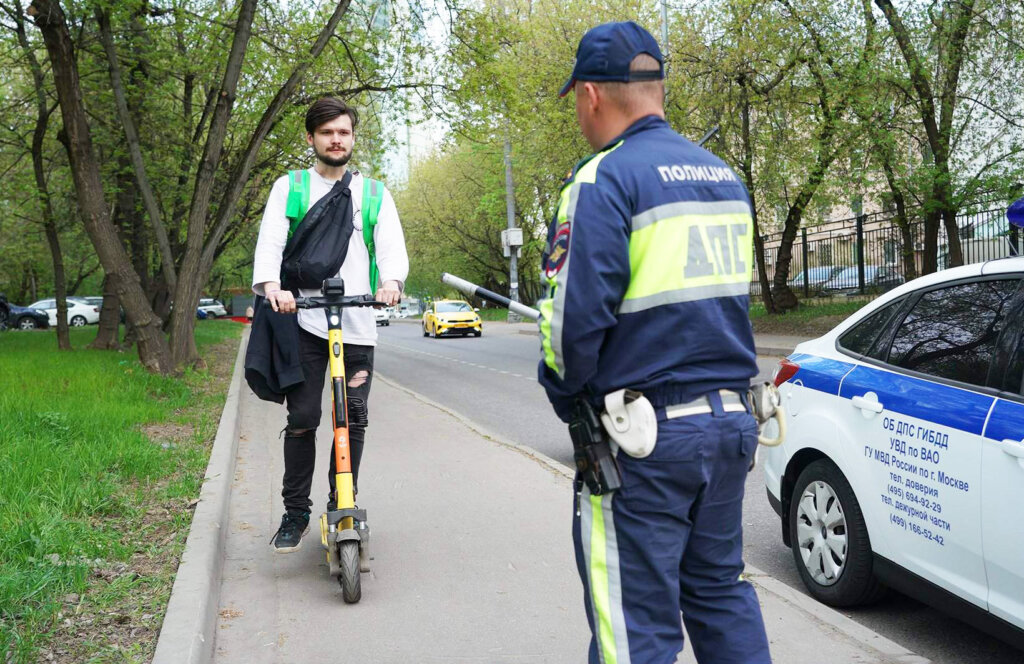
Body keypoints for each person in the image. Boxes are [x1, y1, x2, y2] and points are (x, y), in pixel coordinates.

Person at [536, 22, 771, 664]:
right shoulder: (724, 176)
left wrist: (566, 396)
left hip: (647, 442)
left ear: (590, 95)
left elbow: (570, 327)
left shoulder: (602, 181)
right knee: (720, 591)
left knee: (634, 629)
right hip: (731, 425)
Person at [251, 97, 408, 553]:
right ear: (311, 139)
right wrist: (273, 286)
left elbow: (391, 246)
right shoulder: (292, 187)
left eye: (343, 131)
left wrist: (393, 282)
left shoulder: (373, 193)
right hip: (302, 322)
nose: (336, 139)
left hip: (357, 322)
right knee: (303, 417)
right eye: (327, 132)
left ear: (352, 137)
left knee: (352, 418)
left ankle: (344, 500)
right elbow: (270, 241)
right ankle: (295, 512)